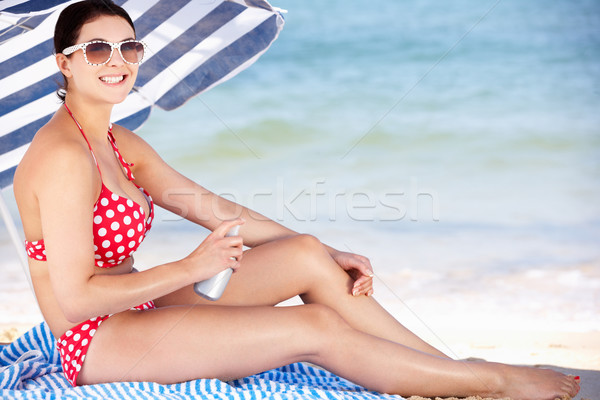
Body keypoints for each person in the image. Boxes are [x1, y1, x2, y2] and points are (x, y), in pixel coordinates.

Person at [13, 1, 580, 398]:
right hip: (98, 341)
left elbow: (215, 209)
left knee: (305, 253)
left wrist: (330, 250)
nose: (117, 60)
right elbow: (79, 300)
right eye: (97, 49)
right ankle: (491, 384)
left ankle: (445, 370)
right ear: (64, 62)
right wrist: (190, 267)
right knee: (315, 328)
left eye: (128, 46)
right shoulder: (63, 157)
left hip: (139, 309)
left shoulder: (120, 142)